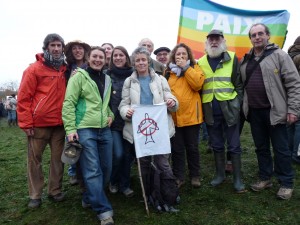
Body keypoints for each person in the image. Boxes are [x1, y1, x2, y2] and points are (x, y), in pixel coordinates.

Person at [239, 23, 300, 200]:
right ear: (250, 39)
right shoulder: (247, 58)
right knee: (261, 147)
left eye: (260, 34)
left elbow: (294, 84)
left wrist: (293, 109)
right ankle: (265, 177)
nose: (257, 37)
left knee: (281, 149)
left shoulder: (280, 55)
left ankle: (286, 182)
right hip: (255, 112)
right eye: (253, 35)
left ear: (268, 36)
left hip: (276, 111)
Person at [118, 46, 178, 205]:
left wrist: (172, 102)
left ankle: (168, 193)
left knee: (162, 162)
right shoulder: (129, 82)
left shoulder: (160, 79)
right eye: (137, 60)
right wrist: (126, 112)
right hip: (139, 130)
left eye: (143, 59)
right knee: (143, 163)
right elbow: (123, 104)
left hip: (159, 128)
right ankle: (149, 194)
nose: (141, 62)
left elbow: (169, 97)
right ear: (133, 63)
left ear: (148, 61)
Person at [62, 46, 114, 225]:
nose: (98, 60)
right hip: (85, 129)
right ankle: (103, 210)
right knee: (92, 170)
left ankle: (88, 195)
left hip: (104, 129)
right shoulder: (78, 77)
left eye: (101, 57)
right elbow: (69, 103)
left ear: (105, 60)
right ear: (88, 58)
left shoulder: (107, 79)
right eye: (95, 57)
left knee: (107, 168)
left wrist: (111, 115)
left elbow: (105, 104)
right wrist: (70, 130)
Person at [17, 33, 67, 208]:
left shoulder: (65, 69)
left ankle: (55, 190)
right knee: (35, 160)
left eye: (58, 45)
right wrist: (26, 123)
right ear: (46, 48)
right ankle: (35, 194)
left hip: (60, 125)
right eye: (52, 45)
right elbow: (23, 98)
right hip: (38, 125)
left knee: (57, 160)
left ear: (62, 48)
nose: (55, 48)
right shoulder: (34, 69)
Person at [198, 29, 245, 193]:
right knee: (217, 144)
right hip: (210, 110)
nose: (214, 42)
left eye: (217, 39)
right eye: (211, 39)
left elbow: (239, 84)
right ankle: (220, 175)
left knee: (234, 145)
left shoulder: (232, 58)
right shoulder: (200, 61)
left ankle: (238, 179)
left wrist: (237, 103)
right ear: (206, 42)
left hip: (230, 109)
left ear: (223, 41)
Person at [164, 43, 205, 188]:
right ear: (173, 57)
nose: (180, 56)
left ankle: (195, 175)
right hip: (175, 117)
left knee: (192, 147)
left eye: (184, 54)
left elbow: (197, 85)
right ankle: (179, 176)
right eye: (178, 54)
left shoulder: (195, 68)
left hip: (192, 116)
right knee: (177, 148)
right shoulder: (169, 72)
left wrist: (186, 68)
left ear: (188, 56)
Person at [106, 46, 135, 197]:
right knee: (118, 154)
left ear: (126, 57)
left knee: (128, 155)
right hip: (114, 122)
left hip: (131, 121)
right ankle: (113, 180)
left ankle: (125, 184)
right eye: (115, 55)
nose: (118, 58)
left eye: (121, 55)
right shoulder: (107, 75)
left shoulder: (134, 75)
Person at [64, 40, 91, 186]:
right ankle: (73, 169)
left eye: (80, 48)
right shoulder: (67, 69)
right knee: (71, 141)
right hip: (72, 107)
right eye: (74, 48)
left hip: (86, 110)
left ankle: (82, 172)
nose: (77, 51)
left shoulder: (90, 66)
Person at [287, 36, 300, 164]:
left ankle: (289, 151)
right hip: (297, 94)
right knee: (298, 125)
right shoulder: (298, 57)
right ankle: (296, 155)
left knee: (290, 125)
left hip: (287, 94)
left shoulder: (289, 55)